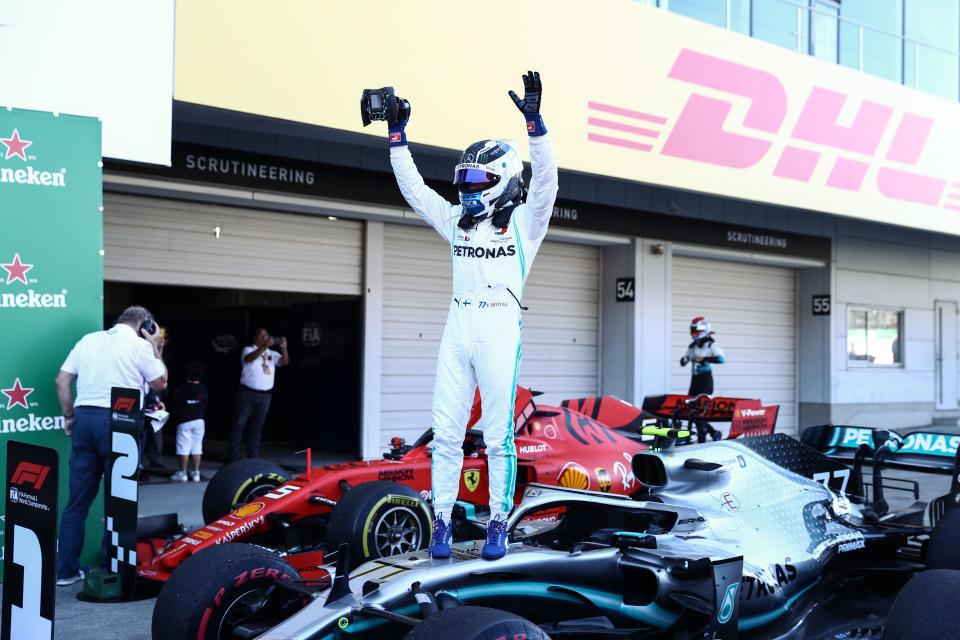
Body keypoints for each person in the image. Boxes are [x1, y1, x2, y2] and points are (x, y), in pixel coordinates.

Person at [386, 70, 558, 560]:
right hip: (457, 326)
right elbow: (417, 192)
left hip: (501, 327)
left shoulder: (527, 224)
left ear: (504, 180)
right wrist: (398, 139)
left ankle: (498, 523)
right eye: (463, 179)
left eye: (478, 179)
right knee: (446, 434)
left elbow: (546, 182)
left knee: (498, 436)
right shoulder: (458, 224)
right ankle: (441, 520)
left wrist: (536, 128)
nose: (467, 188)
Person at [54, 305, 167, 586]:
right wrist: (154, 346)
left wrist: (69, 416)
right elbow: (161, 382)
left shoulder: (88, 340)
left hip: (85, 419)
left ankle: (65, 571)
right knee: (119, 502)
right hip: (121, 421)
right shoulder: (140, 346)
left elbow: (62, 381)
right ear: (146, 325)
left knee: (76, 504)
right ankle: (112, 568)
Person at [228, 328, 288, 461]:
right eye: (262, 336)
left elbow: (284, 362)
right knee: (239, 425)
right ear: (254, 338)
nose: (265, 338)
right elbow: (249, 359)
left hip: (265, 395)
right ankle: (232, 457)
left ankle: (253, 456)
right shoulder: (248, 349)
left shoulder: (272, 352)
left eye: (267, 335)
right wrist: (265, 346)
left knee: (257, 427)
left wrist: (284, 348)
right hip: (247, 393)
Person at [679, 316, 726, 442]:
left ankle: (702, 437)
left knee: (699, 410)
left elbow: (722, 359)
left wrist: (704, 359)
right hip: (694, 380)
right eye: (692, 331)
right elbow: (683, 361)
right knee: (691, 409)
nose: (694, 334)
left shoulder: (711, 344)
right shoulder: (693, 346)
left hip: (705, 380)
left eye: (697, 331)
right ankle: (713, 432)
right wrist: (686, 359)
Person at [171, 361, 208, 482]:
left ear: (187, 375)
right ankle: (196, 473)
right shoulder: (203, 389)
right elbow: (205, 403)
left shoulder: (181, 388)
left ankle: (183, 473)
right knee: (197, 447)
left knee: (183, 447)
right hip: (199, 420)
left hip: (184, 421)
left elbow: (176, 403)